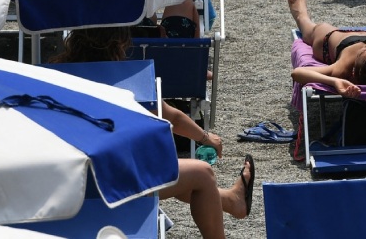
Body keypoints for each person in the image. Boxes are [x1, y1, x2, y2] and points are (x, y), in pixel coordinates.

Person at [50, 27, 254, 239]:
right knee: (202, 173)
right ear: (119, 45)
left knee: (177, 174)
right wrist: (206, 138)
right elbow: (173, 118)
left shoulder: (50, 76)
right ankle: (228, 212)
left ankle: (231, 201)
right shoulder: (128, 82)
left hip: (62, 183)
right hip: (116, 184)